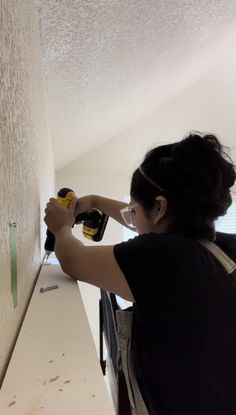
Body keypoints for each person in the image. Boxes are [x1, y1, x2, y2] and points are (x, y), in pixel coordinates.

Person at [44, 132, 236, 415]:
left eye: (134, 210)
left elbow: (73, 260)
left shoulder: (161, 258)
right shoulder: (221, 246)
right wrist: (96, 201)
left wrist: (61, 227)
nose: (131, 217)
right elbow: (152, 223)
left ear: (159, 207)